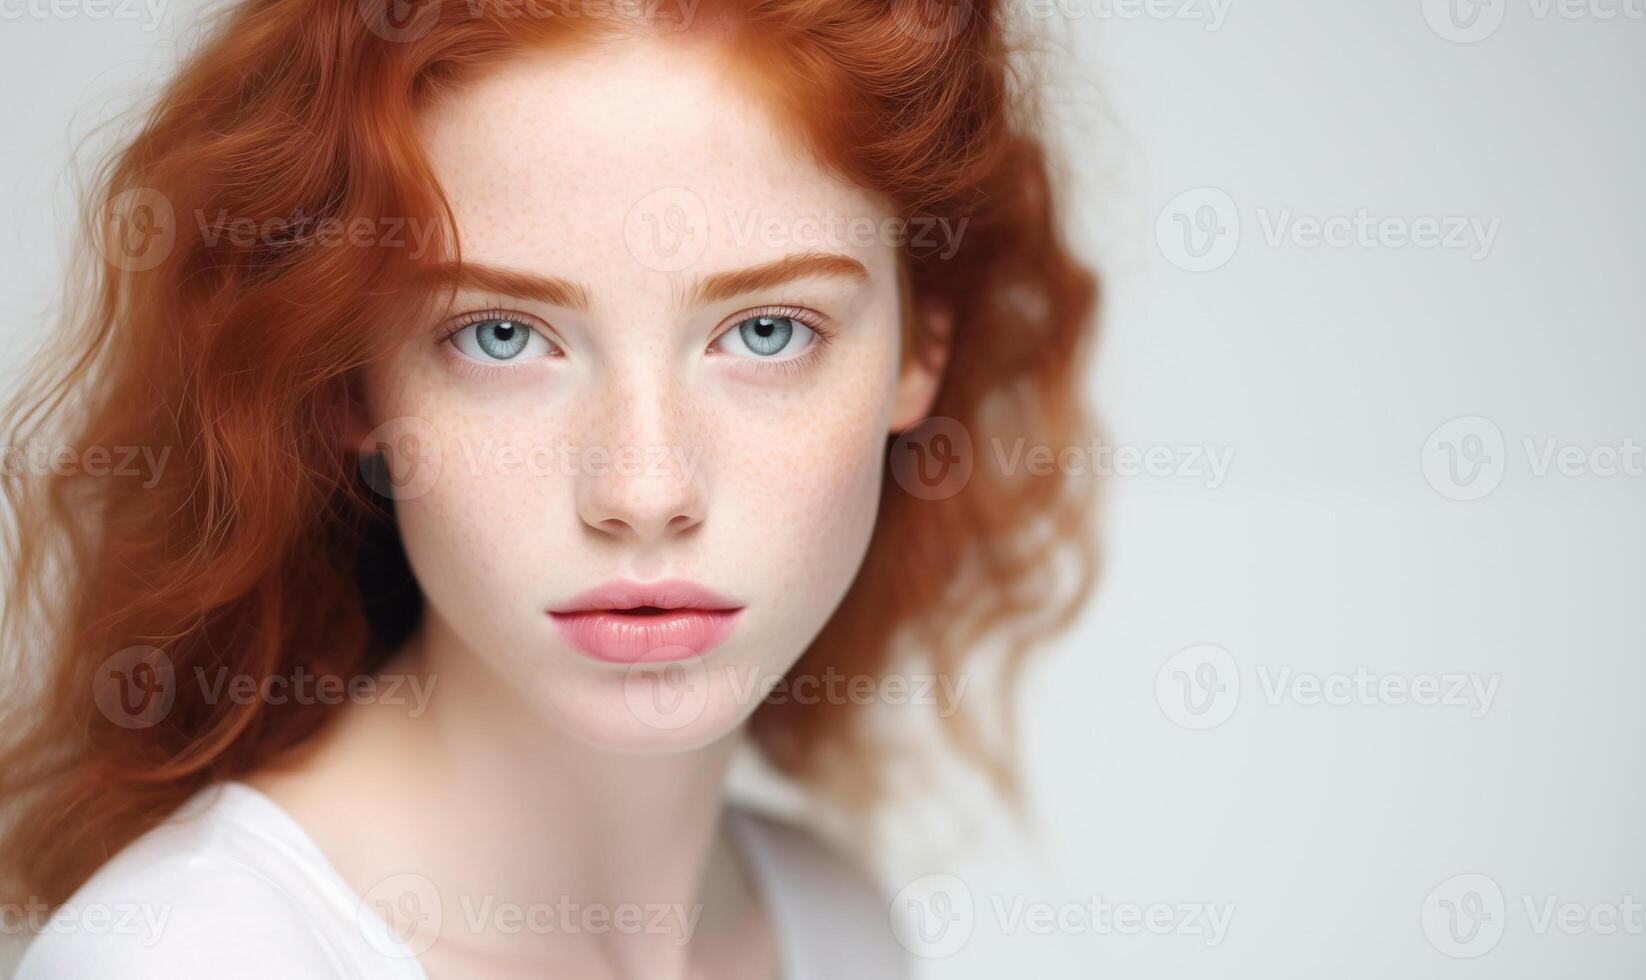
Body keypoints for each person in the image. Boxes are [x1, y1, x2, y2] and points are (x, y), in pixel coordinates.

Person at [1, 0, 1098, 976]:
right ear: (349, 386)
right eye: (500, 335)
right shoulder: (186, 957)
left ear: (920, 352)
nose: (644, 487)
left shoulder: (838, 925)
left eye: (767, 331)